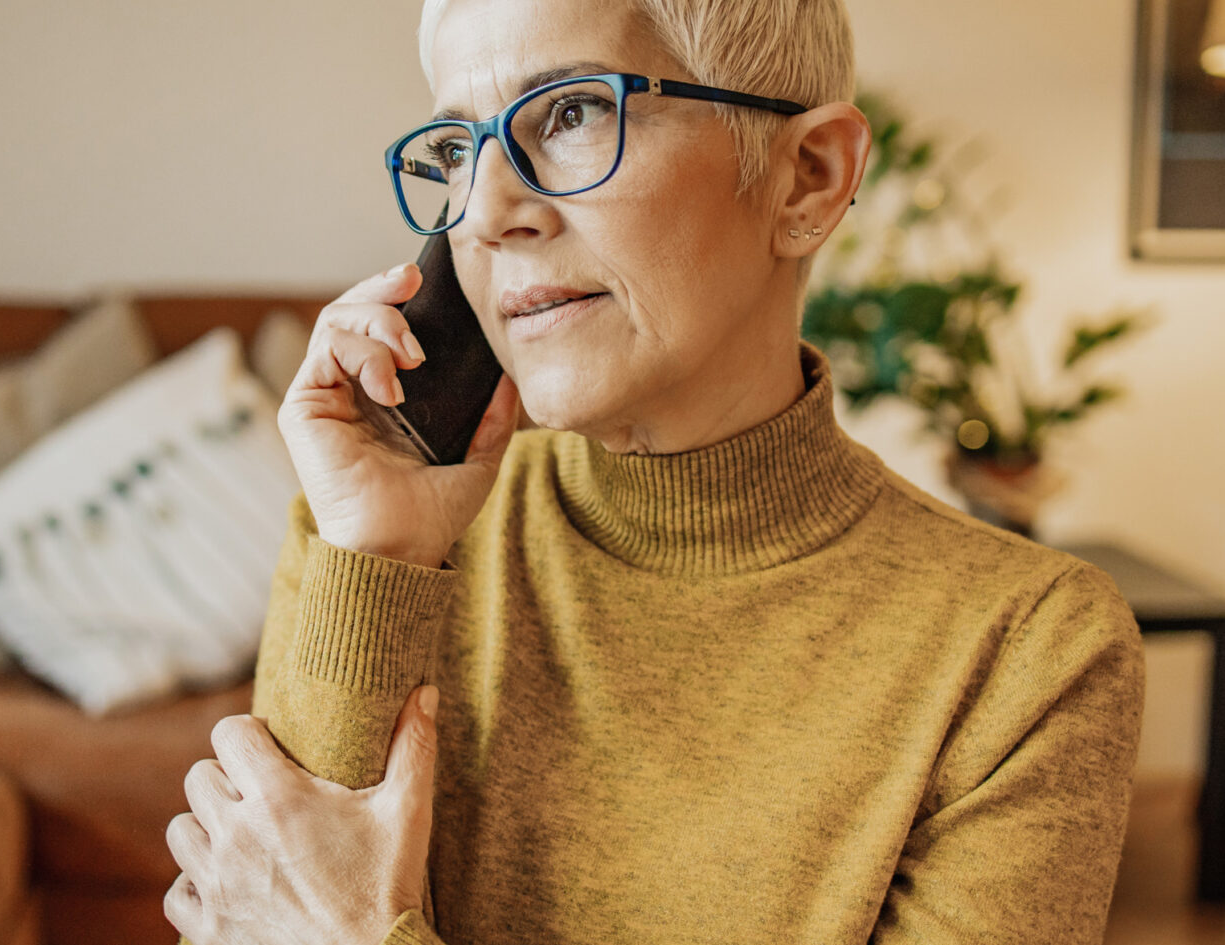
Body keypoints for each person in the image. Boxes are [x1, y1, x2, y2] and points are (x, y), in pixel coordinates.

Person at [163, 0, 1146, 942]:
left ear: (808, 177)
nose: (489, 212)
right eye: (461, 149)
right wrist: (375, 556)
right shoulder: (375, 534)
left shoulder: (1028, 653)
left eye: (575, 112)